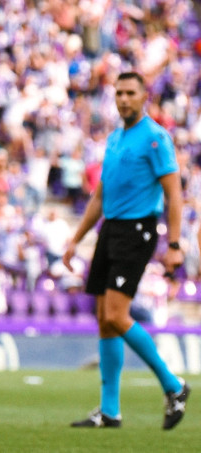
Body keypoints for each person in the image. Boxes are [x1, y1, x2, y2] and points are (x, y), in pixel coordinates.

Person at [63, 72, 190, 430]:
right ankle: (109, 410)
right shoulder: (117, 138)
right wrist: (76, 238)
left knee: (118, 315)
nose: (123, 99)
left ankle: (173, 384)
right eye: (118, 93)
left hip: (137, 230)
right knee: (104, 318)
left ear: (144, 96)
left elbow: (174, 195)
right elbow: (100, 196)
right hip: (111, 230)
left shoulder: (154, 138)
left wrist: (176, 245)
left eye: (130, 93)